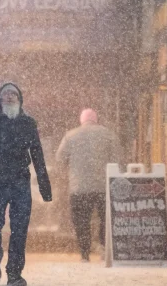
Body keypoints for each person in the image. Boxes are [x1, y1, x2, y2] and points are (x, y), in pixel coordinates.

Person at [0, 83, 52, 286]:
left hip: (20, 182)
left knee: (20, 229)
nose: (9, 97)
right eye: (6, 94)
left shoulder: (28, 123)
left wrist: (45, 188)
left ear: (19, 99)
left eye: (13, 94)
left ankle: (15, 274)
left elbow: (38, 156)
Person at [55, 108, 120, 263]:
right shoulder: (108, 134)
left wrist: (68, 173)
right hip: (103, 186)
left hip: (79, 187)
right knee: (105, 219)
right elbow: (117, 159)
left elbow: (59, 158)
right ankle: (104, 247)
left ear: (81, 120)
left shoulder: (70, 136)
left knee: (81, 220)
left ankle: (84, 252)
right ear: (96, 119)